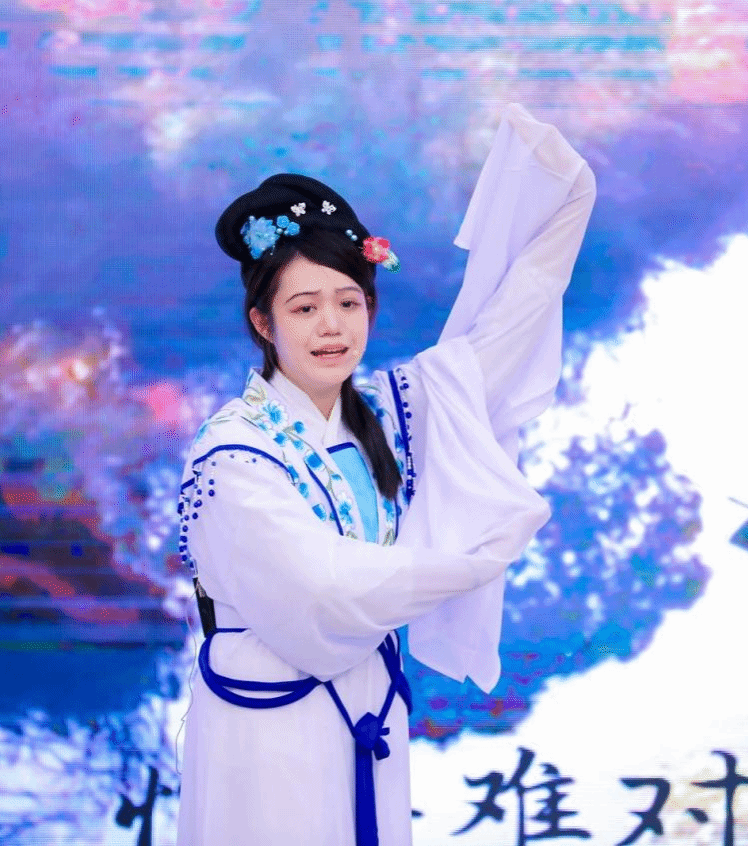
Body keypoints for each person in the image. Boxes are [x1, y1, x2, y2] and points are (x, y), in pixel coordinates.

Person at [175, 104, 595, 846]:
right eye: (304, 307)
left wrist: (565, 203)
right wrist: (469, 564)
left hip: (369, 711)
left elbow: (509, 325)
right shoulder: (233, 454)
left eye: (349, 302)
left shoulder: (390, 411)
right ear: (264, 322)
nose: (331, 326)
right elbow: (320, 591)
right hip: (268, 729)